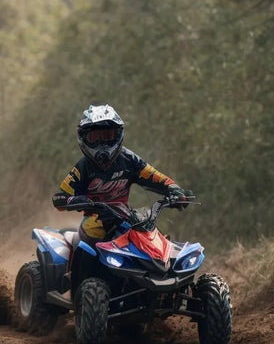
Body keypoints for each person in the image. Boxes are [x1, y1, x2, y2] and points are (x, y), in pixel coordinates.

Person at [52, 104, 192, 246]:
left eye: (107, 136)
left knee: (153, 236)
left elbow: (155, 177)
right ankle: (80, 268)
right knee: (92, 237)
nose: (102, 144)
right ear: (84, 138)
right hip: (94, 221)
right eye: (95, 137)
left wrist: (175, 190)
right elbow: (60, 198)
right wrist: (75, 201)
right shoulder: (83, 167)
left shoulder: (129, 160)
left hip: (126, 218)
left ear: (118, 134)